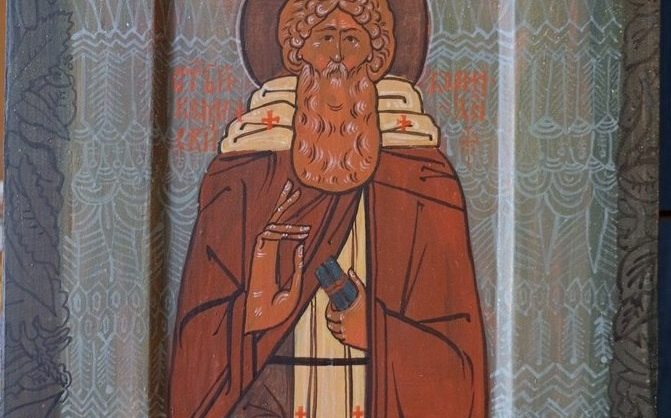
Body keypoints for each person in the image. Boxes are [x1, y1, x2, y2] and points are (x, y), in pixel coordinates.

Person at [169, 0, 488, 416]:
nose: (336, 55)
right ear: (296, 53)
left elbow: (460, 365)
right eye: (323, 37)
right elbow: (192, 348)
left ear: (375, 58)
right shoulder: (244, 175)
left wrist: (377, 331)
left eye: (352, 39)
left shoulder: (423, 180)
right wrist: (250, 314)